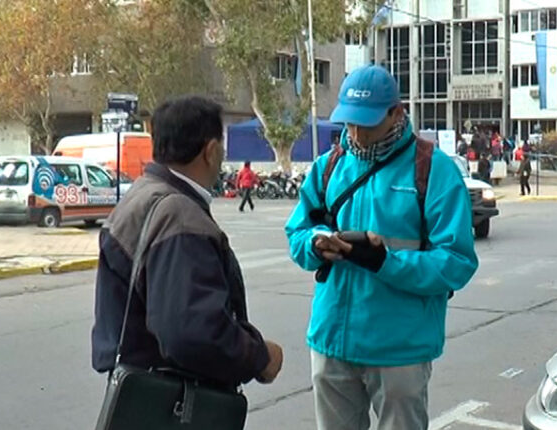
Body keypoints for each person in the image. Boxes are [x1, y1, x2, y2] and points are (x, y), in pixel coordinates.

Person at [284, 65, 478, 430]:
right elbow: (297, 231)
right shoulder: (329, 167)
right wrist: (315, 244)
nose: (357, 134)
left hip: (399, 349)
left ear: (396, 113)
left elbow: (457, 261)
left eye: (367, 123)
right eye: (350, 123)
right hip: (331, 340)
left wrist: (385, 261)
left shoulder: (433, 170)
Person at [91, 96, 283, 406]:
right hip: (171, 403)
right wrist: (260, 356)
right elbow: (191, 331)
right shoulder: (179, 215)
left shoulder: (141, 194)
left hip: (139, 393)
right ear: (211, 151)